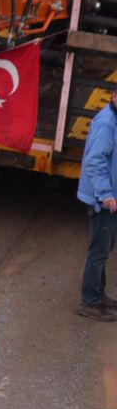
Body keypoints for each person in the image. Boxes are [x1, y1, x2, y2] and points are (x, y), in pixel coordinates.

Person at [79, 101, 117, 319]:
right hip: (103, 200)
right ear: (113, 95)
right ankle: (90, 302)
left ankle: (98, 294)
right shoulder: (107, 123)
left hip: (109, 198)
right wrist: (106, 195)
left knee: (104, 249)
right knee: (98, 251)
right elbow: (95, 161)